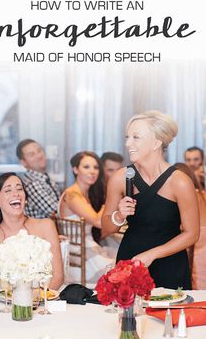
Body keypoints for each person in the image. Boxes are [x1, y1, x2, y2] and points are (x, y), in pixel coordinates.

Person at [102, 110, 200, 289]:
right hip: (130, 261)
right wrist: (119, 216)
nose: (127, 143)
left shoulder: (179, 182)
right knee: (129, 316)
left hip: (170, 264)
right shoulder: (120, 178)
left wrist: (152, 254)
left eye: (136, 137)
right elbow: (106, 229)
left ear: (156, 142)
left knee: (169, 316)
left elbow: (192, 234)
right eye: (127, 137)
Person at [0, 172, 64, 290]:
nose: (16, 194)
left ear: (25, 199)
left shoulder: (46, 225)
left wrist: (34, 301)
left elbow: (58, 277)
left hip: (39, 303)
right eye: (8, 190)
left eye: (19, 189)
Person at [58, 151, 114, 285]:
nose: (92, 172)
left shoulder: (85, 193)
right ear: (75, 169)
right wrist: (110, 199)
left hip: (88, 246)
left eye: (96, 167)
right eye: (86, 167)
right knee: (118, 270)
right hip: (78, 251)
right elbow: (98, 222)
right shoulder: (72, 194)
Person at [174, 162, 206, 290]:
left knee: (198, 282)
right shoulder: (201, 194)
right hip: (201, 241)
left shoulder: (187, 196)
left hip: (197, 244)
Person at [16, 139, 60, 218]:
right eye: (32, 154)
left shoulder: (45, 178)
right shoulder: (32, 183)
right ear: (23, 162)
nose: (39, 156)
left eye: (39, 151)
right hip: (43, 230)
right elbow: (57, 212)